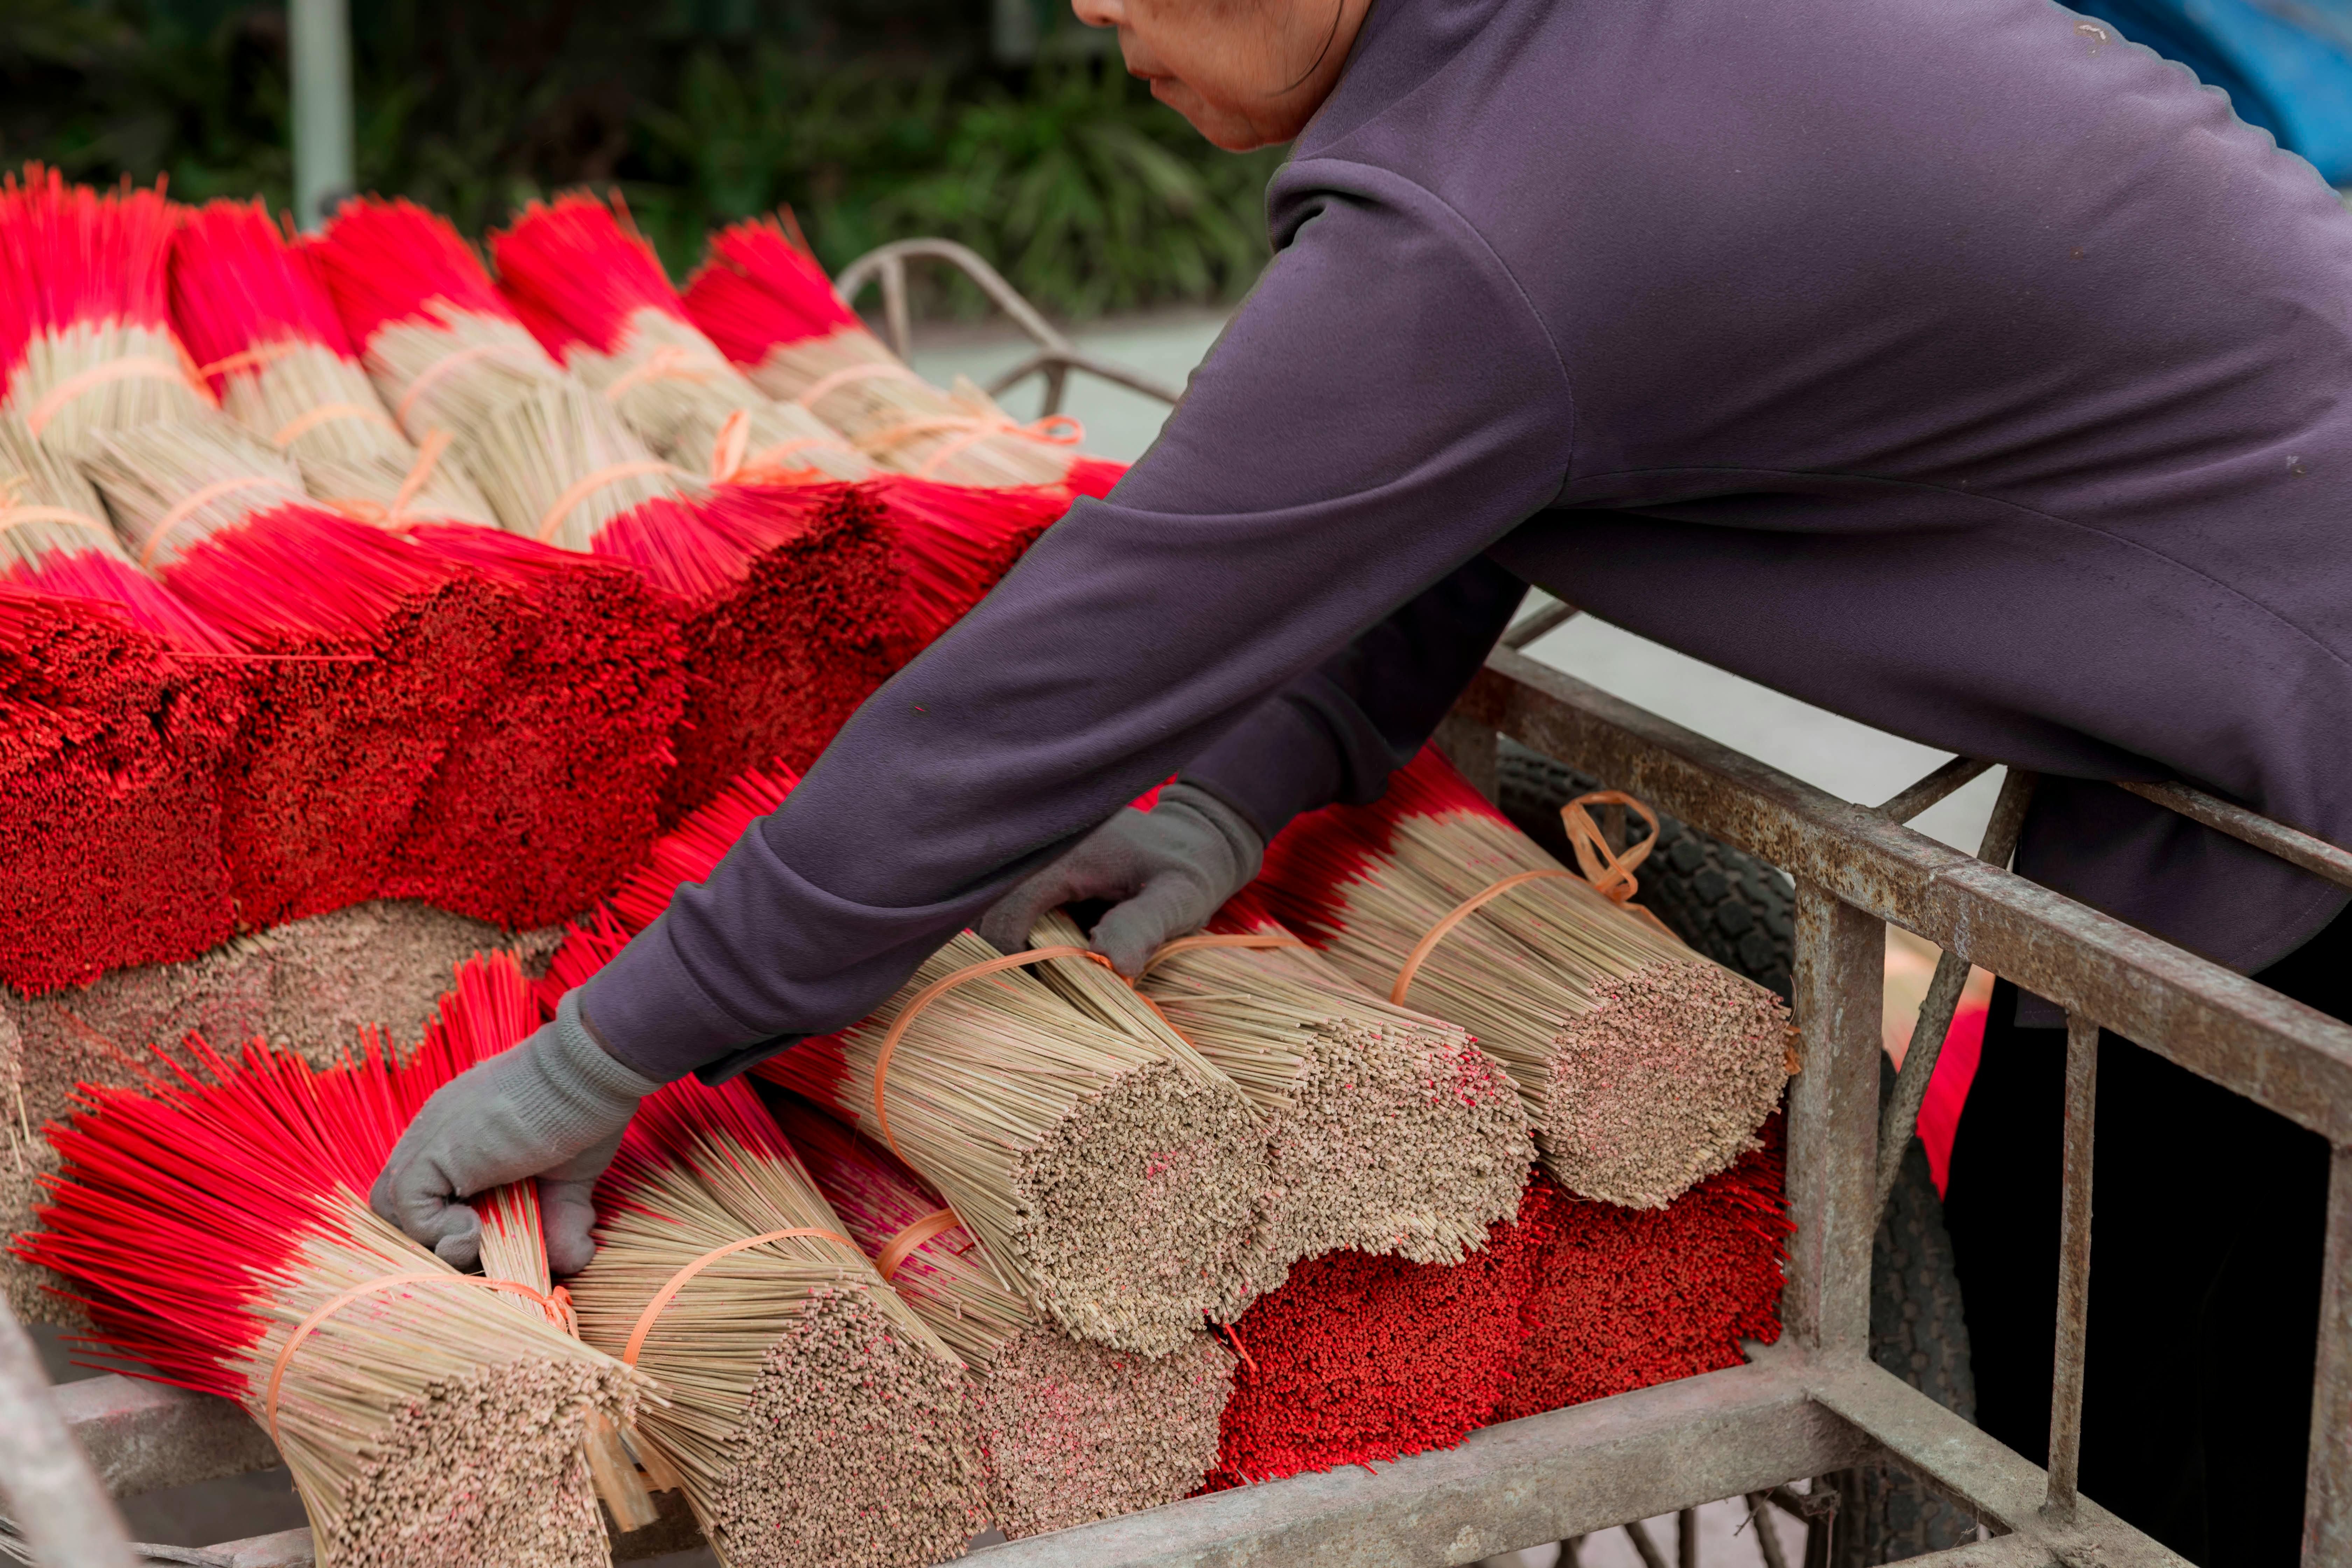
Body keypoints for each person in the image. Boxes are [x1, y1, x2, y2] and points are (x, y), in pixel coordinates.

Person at [372, 0, 2352, 1558]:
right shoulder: (1541, 77)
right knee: (2048, 1356)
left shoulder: (1484, 210)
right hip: (2230, 703)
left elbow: (1048, 685)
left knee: (2155, 1452)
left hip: (2311, 728)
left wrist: (602, 1056)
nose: (1086, 8)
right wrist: (1252, 786)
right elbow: (1526, 467)